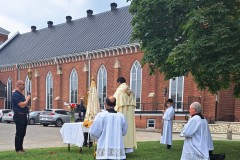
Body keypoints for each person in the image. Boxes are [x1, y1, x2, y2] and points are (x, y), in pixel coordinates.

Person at [113, 77, 137, 153]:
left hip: (121, 112)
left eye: (117, 83)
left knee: (121, 128)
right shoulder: (130, 91)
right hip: (129, 114)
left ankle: (120, 147)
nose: (117, 85)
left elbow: (113, 100)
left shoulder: (119, 90)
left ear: (119, 82)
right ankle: (128, 148)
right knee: (129, 128)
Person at [12, 80, 31, 153]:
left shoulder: (21, 95)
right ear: (18, 85)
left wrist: (27, 107)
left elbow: (24, 105)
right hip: (19, 116)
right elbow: (21, 105)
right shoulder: (15, 94)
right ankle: (18, 149)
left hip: (23, 115)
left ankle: (21, 148)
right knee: (19, 132)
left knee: (23, 133)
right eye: (23, 85)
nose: (24, 86)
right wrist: (27, 99)